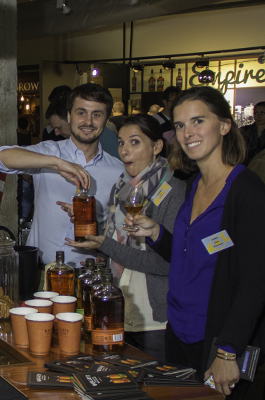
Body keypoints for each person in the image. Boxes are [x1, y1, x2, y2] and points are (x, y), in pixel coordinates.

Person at [126, 86, 265, 398]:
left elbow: (256, 282)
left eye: (198, 121)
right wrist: (156, 234)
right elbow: (190, 252)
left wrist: (228, 352)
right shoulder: (195, 184)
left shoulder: (248, 193)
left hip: (217, 339)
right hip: (178, 329)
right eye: (179, 125)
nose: (187, 133)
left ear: (224, 125)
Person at [64, 114, 185, 361]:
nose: (125, 151)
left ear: (157, 147)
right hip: (118, 308)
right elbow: (115, 245)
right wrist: (88, 227)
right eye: (121, 143)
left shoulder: (175, 191)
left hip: (153, 317)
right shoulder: (122, 187)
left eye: (135, 142)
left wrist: (104, 243)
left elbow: (164, 263)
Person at [0, 83, 124, 269]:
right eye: (81, 113)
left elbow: (118, 230)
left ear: (107, 119)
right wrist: (56, 163)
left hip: (87, 275)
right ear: (69, 116)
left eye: (97, 114)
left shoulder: (118, 171)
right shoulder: (48, 151)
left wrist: (105, 253)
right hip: (40, 271)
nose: (88, 121)